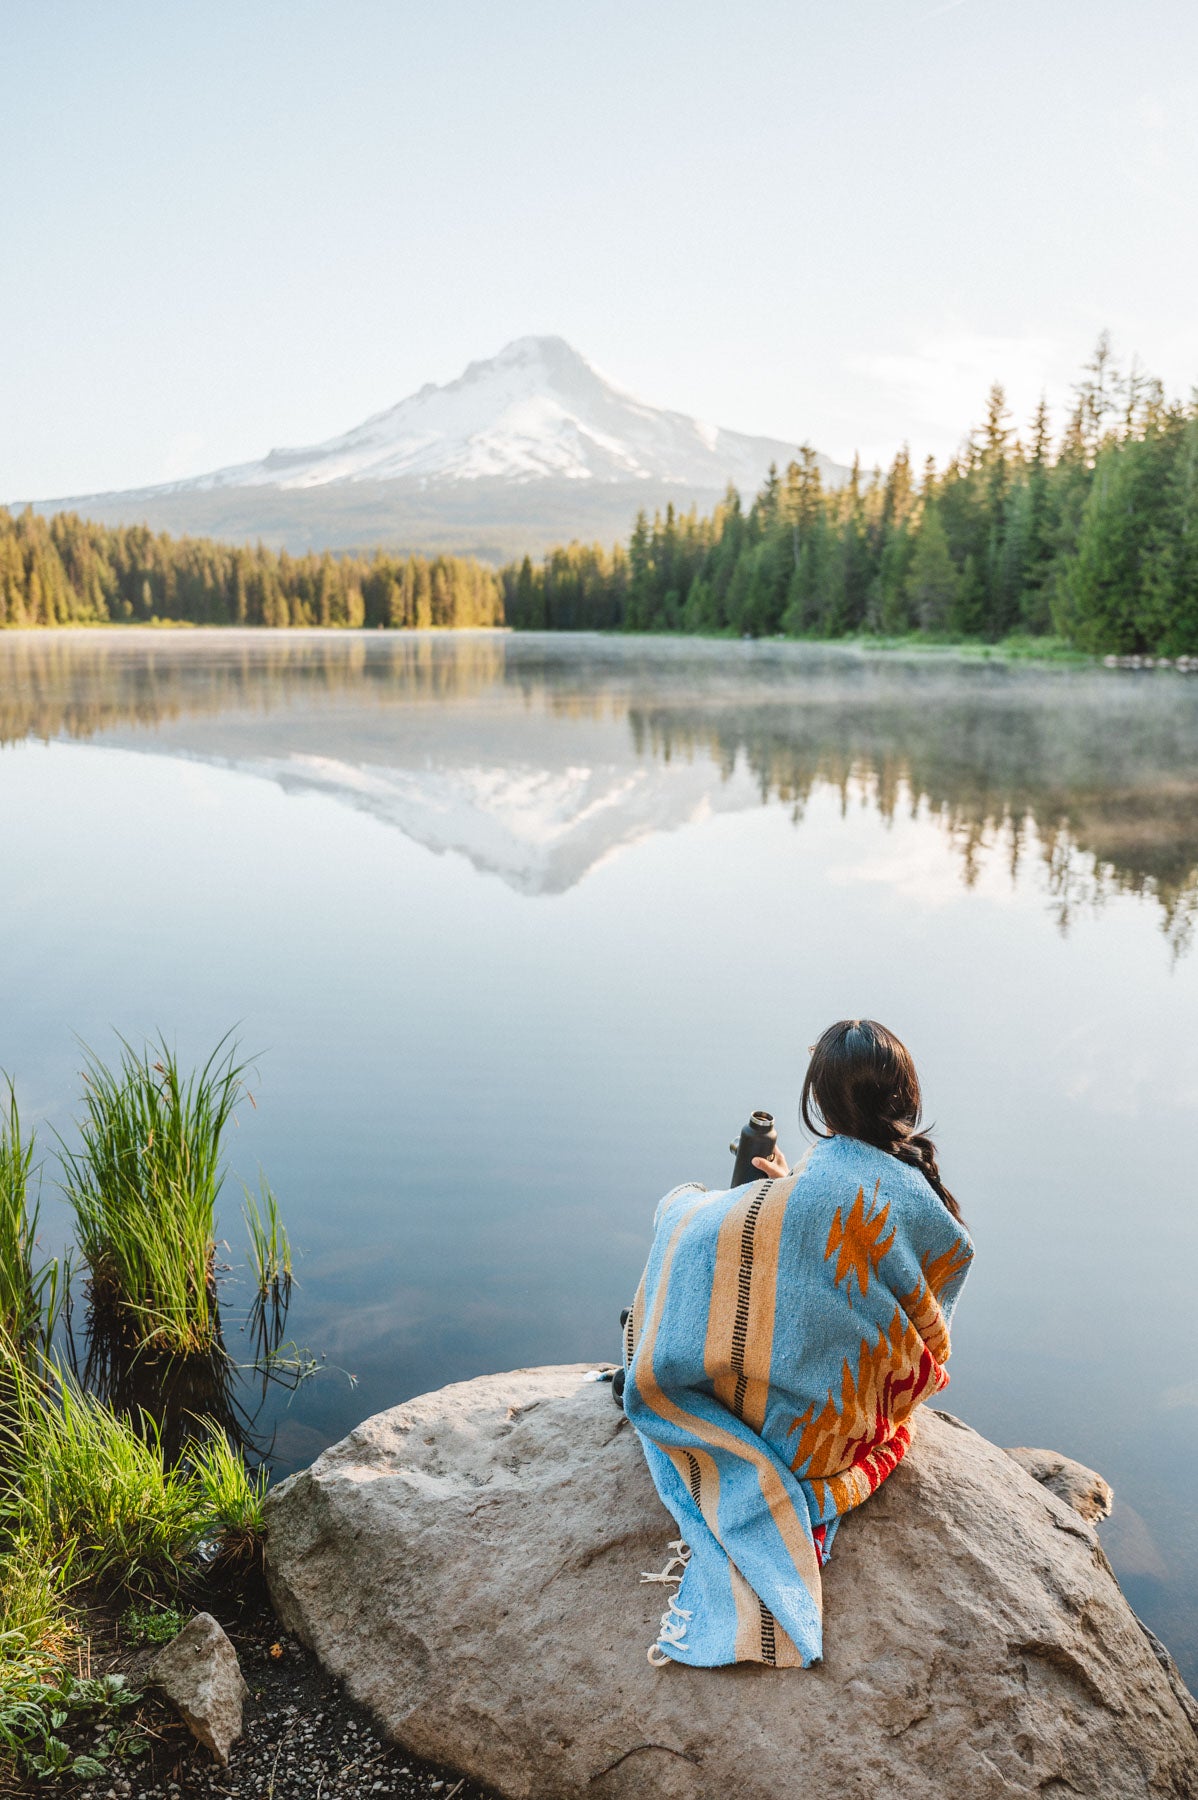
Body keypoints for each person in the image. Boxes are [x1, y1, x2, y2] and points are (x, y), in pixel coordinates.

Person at [621, 1018, 973, 1670]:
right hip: (871, 1425)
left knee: (684, 1262)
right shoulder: (915, 1189)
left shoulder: (817, 1190)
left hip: (799, 1441)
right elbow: (873, 1260)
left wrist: (697, 1200)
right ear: (904, 1100)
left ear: (820, 1103)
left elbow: (696, 1239)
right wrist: (787, 1192)